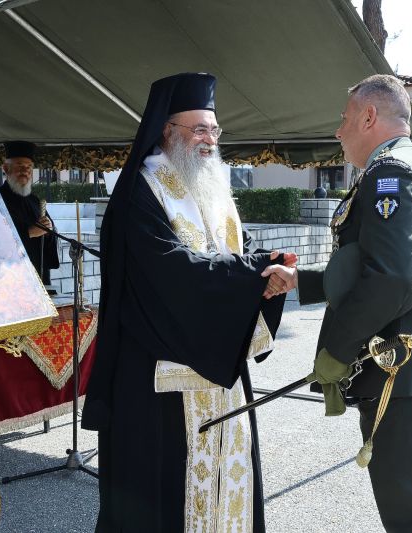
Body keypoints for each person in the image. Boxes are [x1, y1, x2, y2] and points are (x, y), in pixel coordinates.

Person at [81, 72, 295, 533]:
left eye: (214, 130)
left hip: (220, 375)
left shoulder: (214, 190)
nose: (208, 140)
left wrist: (268, 278)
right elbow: (171, 272)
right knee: (163, 499)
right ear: (167, 129)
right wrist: (255, 275)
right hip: (156, 381)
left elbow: (235, 256)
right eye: (198, 129)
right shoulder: (141, 191)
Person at [266, 74, 412, 532]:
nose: (339, 132)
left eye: (344, 120)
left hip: (401, 367)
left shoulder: (390, 173)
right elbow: (372, 266)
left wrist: (337, 351)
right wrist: (305, 281)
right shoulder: (403, 165)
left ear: (369, 116)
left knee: (409, 512)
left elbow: (393, 278)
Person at [0, 141, 59, 285]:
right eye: (20, 166)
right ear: (6, 168)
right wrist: (29, 233)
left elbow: (50, 236)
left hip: (38, 274)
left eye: (29, 167)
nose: (25, 171)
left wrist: (49, 229)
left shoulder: (35, 201)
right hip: (9, 277)